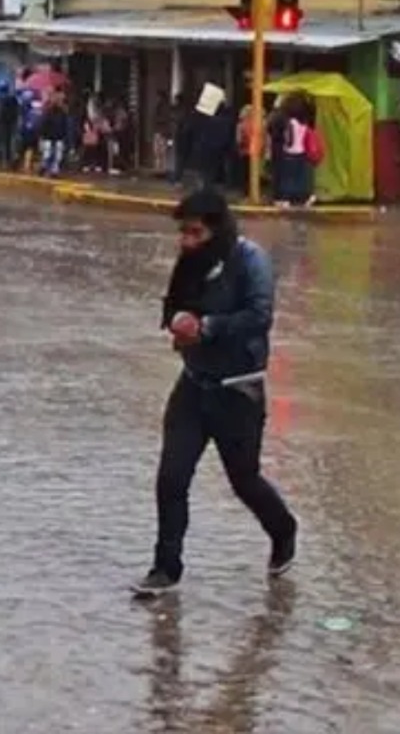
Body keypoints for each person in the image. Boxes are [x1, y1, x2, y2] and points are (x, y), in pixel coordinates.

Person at [134, 188, 298, 598]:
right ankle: (165, 567)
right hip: (193, 385)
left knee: (243, 479)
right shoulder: (190, 263)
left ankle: (283, 529)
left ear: (216, 229)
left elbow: (259, 317)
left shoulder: (251, 261)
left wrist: (207, 328)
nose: (186, 242)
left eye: (195, 232)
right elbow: (175, 306)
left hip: (237, 390)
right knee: (171, 477)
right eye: (183, 233)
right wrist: (178, 323)